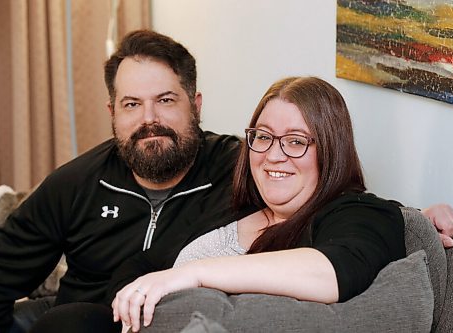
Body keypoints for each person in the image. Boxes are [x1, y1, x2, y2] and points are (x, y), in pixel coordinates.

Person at [0, 29, 453, 333]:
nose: (150, 119)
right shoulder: (77, 182)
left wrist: (412, 215)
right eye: (131, 105)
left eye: (166, 100)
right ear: (112, 113)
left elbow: (344, 222)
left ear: (196, 104)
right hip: (86, 311)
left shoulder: (233, 166)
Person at [105, 76, 407, 332]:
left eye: (296, 141)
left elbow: (336, 271)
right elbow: (143, 264)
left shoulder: (358, 213)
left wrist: (194, 274)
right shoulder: (236, 204)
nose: (273, 155)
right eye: (263, 137)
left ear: (331, 150)